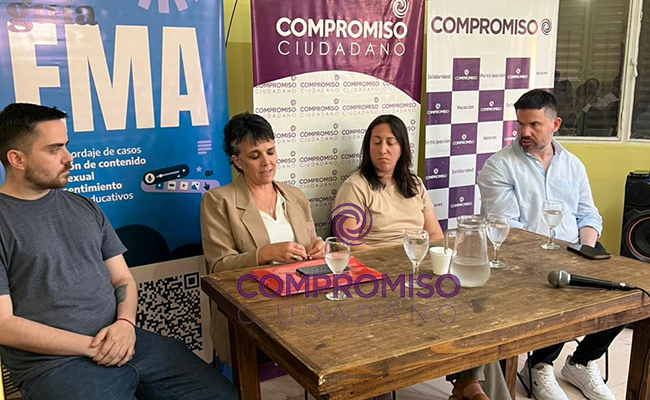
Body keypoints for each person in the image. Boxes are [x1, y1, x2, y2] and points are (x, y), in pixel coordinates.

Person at [0, 103, 237, 400]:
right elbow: (4, 325)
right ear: (17, 159)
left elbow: (122, 279)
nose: (69, 157)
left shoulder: (83, 207)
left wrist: (125, 324)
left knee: (222, 395)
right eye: (54, 149)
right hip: (55, 365)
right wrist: (93, 346)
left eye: (66, 146)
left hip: (125, 339)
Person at [332, 115, 508, 400]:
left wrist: (434, 260)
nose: (383, 150)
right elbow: (347, 244)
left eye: (390, 142)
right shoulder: (356, 186)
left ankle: (471, 384)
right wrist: (397, 262)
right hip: (377, 275)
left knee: (474, 308)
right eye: (376, 142)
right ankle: (469, 387)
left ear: (402, 147)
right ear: (368, 147)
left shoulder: (414, 184)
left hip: (418, 268)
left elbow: (435, 234)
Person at [477, 89, 620, 400]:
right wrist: (558, 256)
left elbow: (588, 214)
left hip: (573, 249)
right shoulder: (499, 166)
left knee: (625, 290)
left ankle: (582, 362)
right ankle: (539, 364)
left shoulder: (573, 164)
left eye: (534, 125)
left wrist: (585, 249)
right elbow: (506, 227)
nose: (524, 132)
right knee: (559, 288)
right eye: (520, 124)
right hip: (523, 257)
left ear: (555, 125)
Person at [201, 112, 324, 366]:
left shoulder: (295, 196)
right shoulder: (218, 201)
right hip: (253, 310)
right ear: (237, 161)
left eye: (270, 151)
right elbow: (218, 268)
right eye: (255, 156)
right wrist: (266, 254)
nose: (267, 162)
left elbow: (310, 245)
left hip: (303, 304)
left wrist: (318, 248)